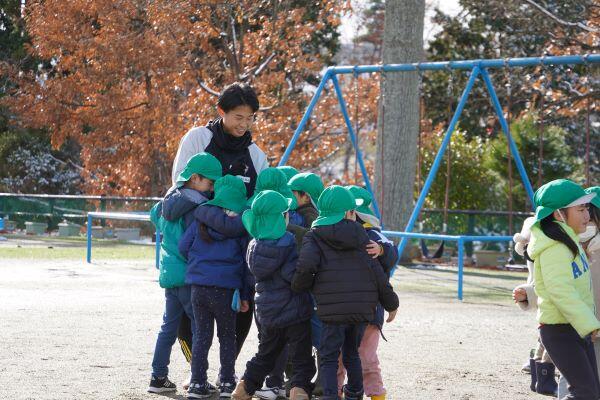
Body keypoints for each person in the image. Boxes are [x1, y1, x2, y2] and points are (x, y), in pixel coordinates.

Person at [172, 82, 268, 363]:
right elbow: (181, 182)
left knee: (242, 307)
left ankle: (227, 370)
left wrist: (236, 222)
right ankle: (196, 369)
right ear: (221, 112)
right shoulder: (197, 139)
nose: (244, 124)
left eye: (250, 118)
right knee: (189, 305)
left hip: (237, 245)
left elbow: (260, 199)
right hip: (199, 238)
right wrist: (214, 214)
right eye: (238, 117)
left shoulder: (256, 155)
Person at [291, 185, 400, 400]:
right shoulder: (363, 236)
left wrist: (299, 286)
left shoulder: (315, 236)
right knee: (352, 355)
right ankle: (355, 395)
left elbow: (306, 267)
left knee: (330, 357)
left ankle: (331, 395)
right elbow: (377, 272)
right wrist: (391, 302)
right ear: (350, 213)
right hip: (361, 310)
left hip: (331, 311)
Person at [147, 153, 222, 394]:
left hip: (170, 275)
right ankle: (198, 378)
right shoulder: (196, 207)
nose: (212, 189)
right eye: (210, 183)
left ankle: (158, 377)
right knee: (201, 329)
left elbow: (154, 216)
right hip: (191, 276)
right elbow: (195, 243)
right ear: (195, 178)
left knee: (168, 327)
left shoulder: (168, 199)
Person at [232, 190, 315, 400]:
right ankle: (299, 390)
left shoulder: (254, 245)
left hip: (267, 311)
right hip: (294, 311)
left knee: (266, 355)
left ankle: (244, 388)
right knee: (301, 357)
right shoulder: (288, 243)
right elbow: (293, 276)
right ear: (282, 217)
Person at [179, 175, 253, 398]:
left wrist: (198, 263)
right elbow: (246, 262)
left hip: (199, 287)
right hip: (226, 288)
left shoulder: (200, 218)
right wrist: (246, 294)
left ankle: (197, 383)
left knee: (201, 335)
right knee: (227, 336)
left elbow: (184, 247)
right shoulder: (241, 226)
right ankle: (227, 382)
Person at [528, 179, 600, 400]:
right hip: (560, 330)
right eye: (580, 209)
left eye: (587, 208)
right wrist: (589, 324)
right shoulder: (555, 248)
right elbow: (560, 291)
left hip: (575, 328)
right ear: (559, 214)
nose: (587, 215)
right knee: (585, 393)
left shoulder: (569, 242)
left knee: (591, 392)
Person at [335, 186, 398, 400]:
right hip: (343, 309)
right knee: (338, 356)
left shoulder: (373, 234)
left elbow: (391, 251)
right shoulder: (335, 232)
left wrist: (381, 249)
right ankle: (335, 391)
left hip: (370, 312)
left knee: (366, 357)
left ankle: (376, 393)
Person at [511, 216, 558, 396]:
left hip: (541, 296)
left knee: (546, 332)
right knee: (551, 331)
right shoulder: (539, 250)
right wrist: (528, 294)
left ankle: (538, 368)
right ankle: (542, 372)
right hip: (544, 297)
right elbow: (542, 282)